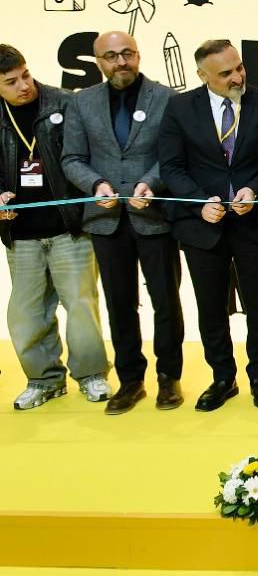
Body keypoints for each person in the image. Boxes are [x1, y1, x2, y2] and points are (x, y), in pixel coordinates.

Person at [156, 39, 258, 411]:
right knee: (211, 307)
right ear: (203, 75)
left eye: (239, 67)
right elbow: (171, 167)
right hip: (202, 228)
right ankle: (223, 377)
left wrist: (255, 189)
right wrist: (199, 202)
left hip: (254, 223)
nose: (237, 77)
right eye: (226, 73)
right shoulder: (180, 108)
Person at [62, 31, 181, 414]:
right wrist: (96, 184)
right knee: (119, 303)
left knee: (166, 302)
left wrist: (150, 182)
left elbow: (173, 155)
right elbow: (71, 158)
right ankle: (131, 380)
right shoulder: (81, 103)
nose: (120, 62)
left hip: (155, 216)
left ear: (138, 55)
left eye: (127, 53)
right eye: (111, 56)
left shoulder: (167, 98)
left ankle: (169, 378)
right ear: (98, 62)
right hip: (106, 219)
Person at [0, 45, 110, 410]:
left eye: (26, 75)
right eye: (11, 81)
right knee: (27, 313)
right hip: (20, 234)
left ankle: (91, 375)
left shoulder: (64, 104)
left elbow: (88, 157)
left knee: (81, 305)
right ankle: (43, 380)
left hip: (69, 228)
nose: (24, 86)